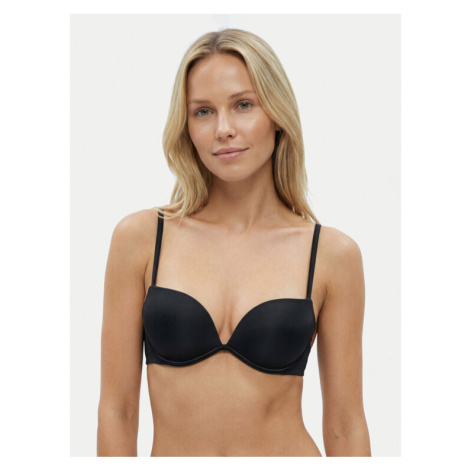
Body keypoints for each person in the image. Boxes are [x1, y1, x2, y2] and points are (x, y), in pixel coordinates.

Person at [97, 28, 371, 457]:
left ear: (276, 114)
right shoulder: (142, 239)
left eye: (243, 105)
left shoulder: (331, 255)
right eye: (203, 111)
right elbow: (118, 410)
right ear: (187, 126)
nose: (223, 129)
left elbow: (344, 425)